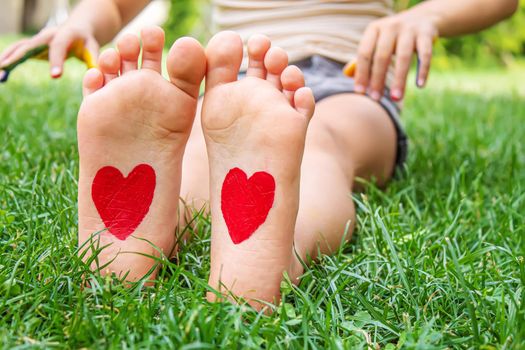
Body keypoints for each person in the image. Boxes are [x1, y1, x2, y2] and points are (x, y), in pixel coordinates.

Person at [0, 0, 517, 309]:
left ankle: (251, 245)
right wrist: (86, 19)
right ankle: (151, 228)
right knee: (214, 147)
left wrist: (430, 13)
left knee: (312, 142)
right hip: (235, 92)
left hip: (353, 81)